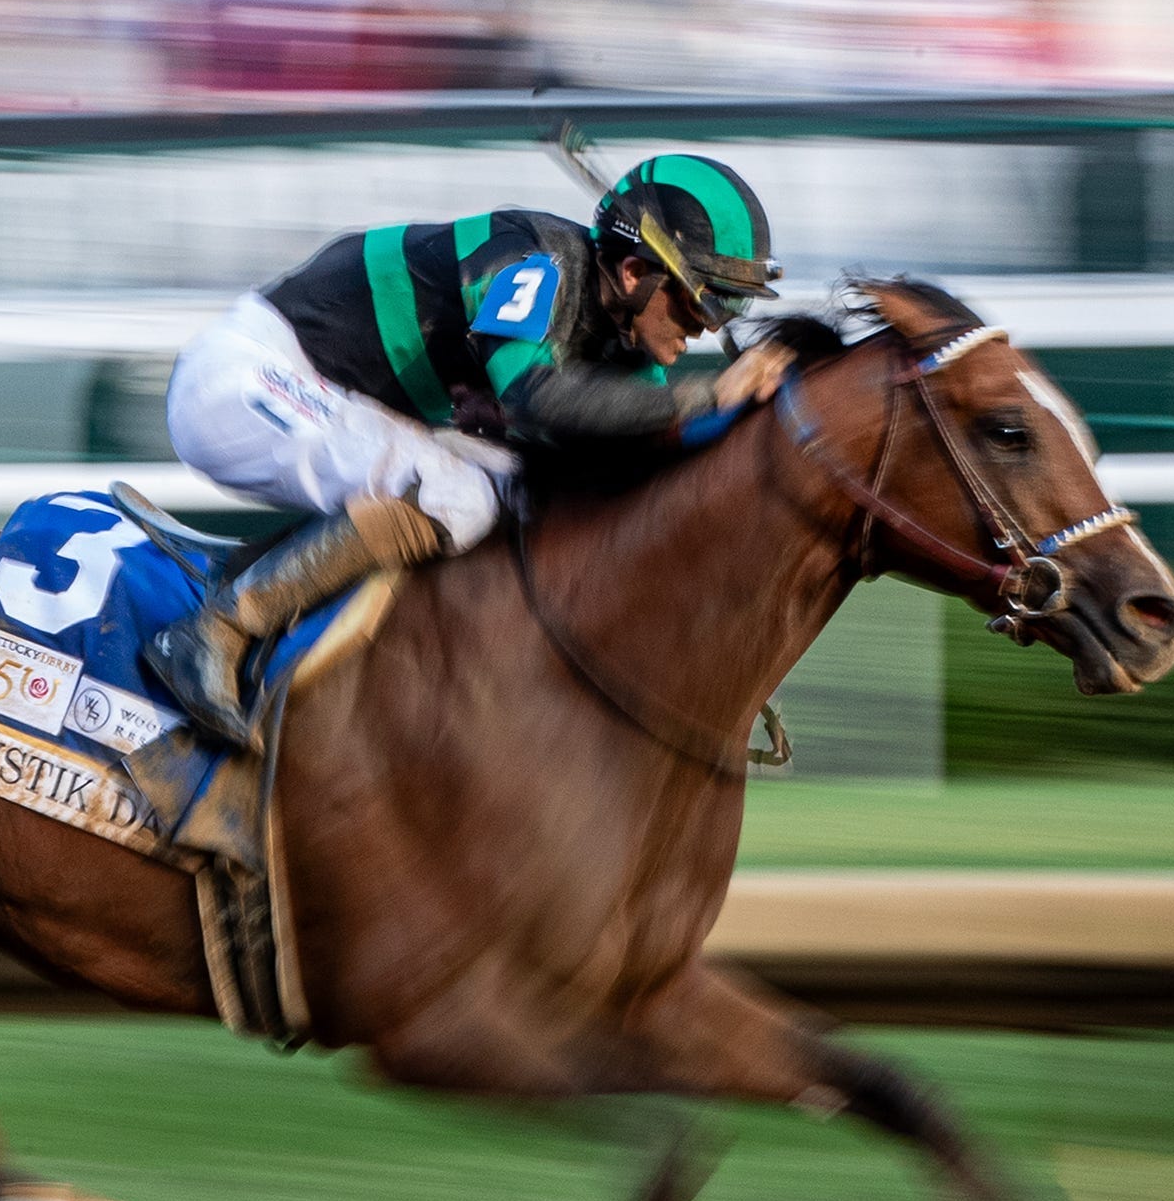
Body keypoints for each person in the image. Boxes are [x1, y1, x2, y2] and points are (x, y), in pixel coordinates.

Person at [146, 150, 786, 752]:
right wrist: (707, 396)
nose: (708, 327)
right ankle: (216, 630)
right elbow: (538, 397)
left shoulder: (624, 345)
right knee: (460, 496)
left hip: (335, 400)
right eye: (702, 301)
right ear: (633, 271)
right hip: (246, 379)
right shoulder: (534, 260)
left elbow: (649, 471)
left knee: (517, 491)